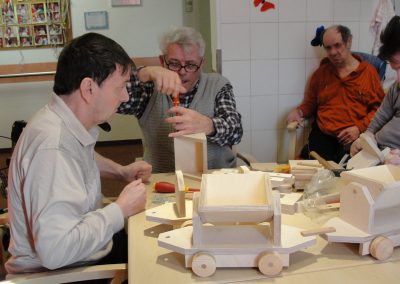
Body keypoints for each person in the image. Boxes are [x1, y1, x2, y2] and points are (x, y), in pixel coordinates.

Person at [5, 33, 155, 275]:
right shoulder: (53, 147)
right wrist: (120, 209)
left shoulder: (58, 124)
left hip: (85, 253)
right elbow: (56, 251)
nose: (125, 96)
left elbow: (77, 158)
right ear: (88, 88)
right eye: (120, 87)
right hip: (65, 274)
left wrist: (119, 172)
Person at [118, 26, 243, 173]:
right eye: (174, 63)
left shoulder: (218, 85)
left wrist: (209, 125)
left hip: (216, 176)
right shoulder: (149, 88)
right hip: (164, 179)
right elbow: (112, 98)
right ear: (162, 61)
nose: (182, 72)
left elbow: (236, 131)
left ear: (201, 63)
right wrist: (144, 72)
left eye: (191, 65)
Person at [287, 25, 385, 163]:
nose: (333, 52)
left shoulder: (368, 74)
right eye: (328, 48)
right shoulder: (320, 74)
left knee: (349, 177)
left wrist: (359, 127)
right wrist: (299, 112)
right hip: (323, 137)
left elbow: (379, 110)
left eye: (337, 45)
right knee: (307, 174)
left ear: (349, 41)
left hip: (354, 139)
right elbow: (310, 104)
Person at [350, 15, 400, 164]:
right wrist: (366, 138)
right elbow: (379, 119)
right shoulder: (396, 89)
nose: (398, 78)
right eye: (395, 69)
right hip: (378, 154)